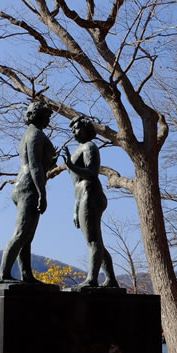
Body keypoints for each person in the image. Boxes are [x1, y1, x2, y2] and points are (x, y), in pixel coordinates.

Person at [0, 99, 58, 284]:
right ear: (38, 116)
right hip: (28, 187)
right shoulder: (35, 135)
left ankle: (26, 274)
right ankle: (3, 274)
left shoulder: (31, 135)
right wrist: (42, 193)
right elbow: (35, 166)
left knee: (27, 236)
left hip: (24, 186)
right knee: (22, 233)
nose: (48, 120)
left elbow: (42, 163)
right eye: (47, 116)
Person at [62, 115, 119, 288]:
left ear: (86, 129)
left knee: (93, 240)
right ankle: (111, 279)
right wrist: (75, 207)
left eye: (77, 128)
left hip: (91, 193)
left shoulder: (90, 146)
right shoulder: (80, 148)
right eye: (72, 130)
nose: (74, 132)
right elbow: (76, 184)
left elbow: (92, 172)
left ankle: (92, 279)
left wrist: (70, 166)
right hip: (82, 196)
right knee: (95, 240)